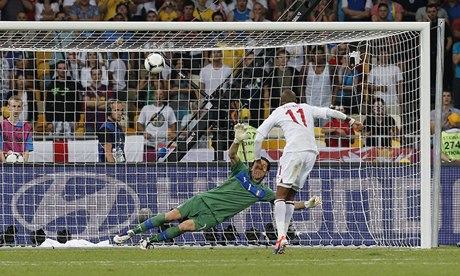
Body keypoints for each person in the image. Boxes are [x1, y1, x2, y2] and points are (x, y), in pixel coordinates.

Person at [113, 123, 322, 249]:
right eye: (258, 165)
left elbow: (285, 203)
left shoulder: (263, 192)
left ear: (266, 173)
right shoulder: (240, 171)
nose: (259, 168)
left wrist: (308, 204)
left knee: (184, 227)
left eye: (263, 168)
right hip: (202, 200)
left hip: (213, 217)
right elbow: (231, 154)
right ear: (252, 166)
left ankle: (150, 242)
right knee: (170, 216)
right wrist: (237, 141)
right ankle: (130, 233)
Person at [253, 90, 362, 254]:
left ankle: (281, 236)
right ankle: (284, 236)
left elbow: (258, 137)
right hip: (311, 153)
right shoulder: (306, 107)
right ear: (296, 101)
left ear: (281, 103)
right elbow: (329, 112)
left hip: (293, 153)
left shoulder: (279, 111)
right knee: (290, 196)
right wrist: (351, 120)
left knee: (280, 195)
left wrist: (256, 160)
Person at [0, 96, 33, 162]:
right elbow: (0, 150)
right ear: (9, 107)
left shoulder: (27, 127)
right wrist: (5, 164)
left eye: (18, 106)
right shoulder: (1, 125)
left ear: (22, 109)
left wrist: (23, 164)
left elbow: (27, 150)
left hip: (20, 162)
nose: (16, 109)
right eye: (14, 106)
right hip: (4, 163)